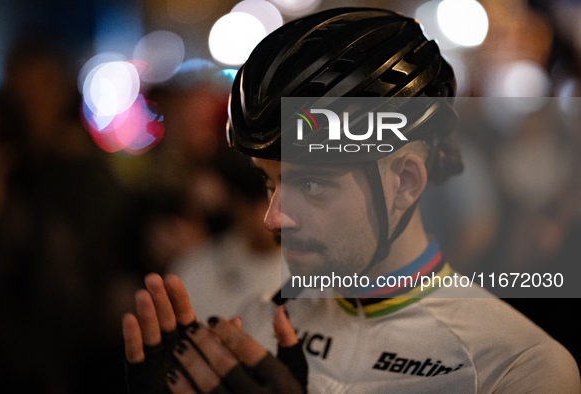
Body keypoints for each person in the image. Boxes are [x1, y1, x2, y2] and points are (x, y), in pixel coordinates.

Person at [123, 7, 581, 394]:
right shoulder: (255, 323)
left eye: (313, 185)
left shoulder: (517, 366)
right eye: (269, 182)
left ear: (404, 182)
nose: (273, 216)